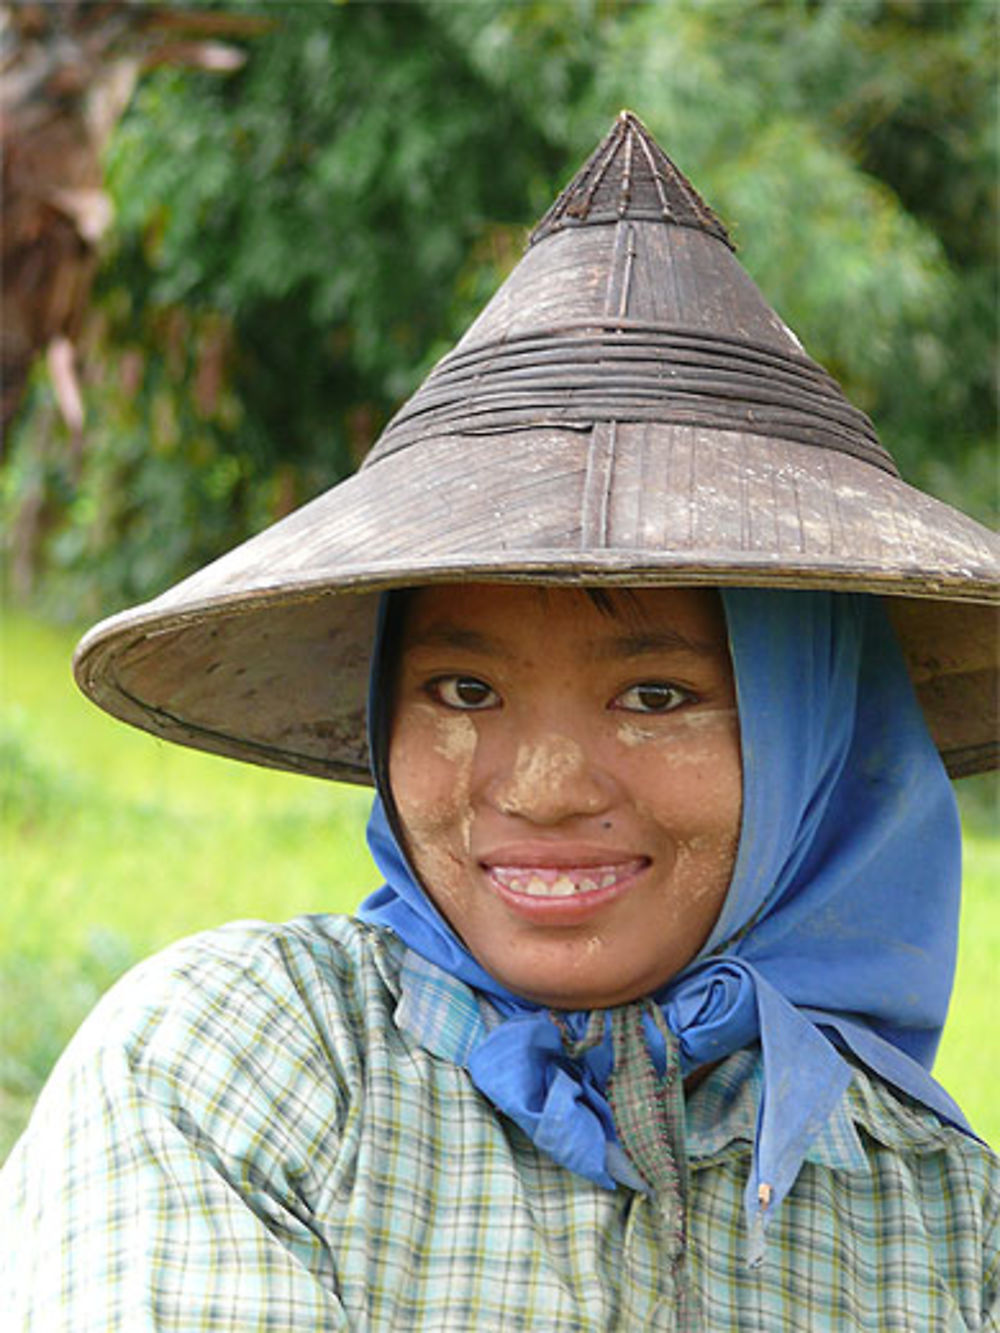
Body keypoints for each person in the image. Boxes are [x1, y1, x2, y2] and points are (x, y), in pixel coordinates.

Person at [2, 112, 998, 1331]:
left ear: (815, 745)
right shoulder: (245, 1060)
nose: (538, 785)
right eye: (463, 692)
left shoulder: (938, 1215)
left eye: (655, 696)